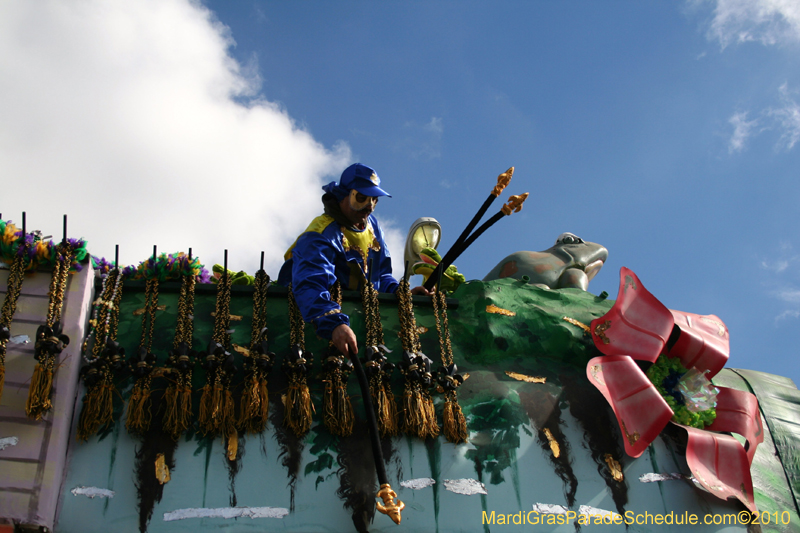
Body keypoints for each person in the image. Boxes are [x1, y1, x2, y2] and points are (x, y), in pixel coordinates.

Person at [278, 163, 428, 356]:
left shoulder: (372, 226)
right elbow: (310, 284)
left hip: (362, 326)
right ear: (344, 195)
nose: (369, 206)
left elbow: (381, 275)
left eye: (374, 200)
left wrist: (399, 293)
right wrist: (334, 323)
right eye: (362, 198)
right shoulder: (320, 234)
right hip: (315, 329)